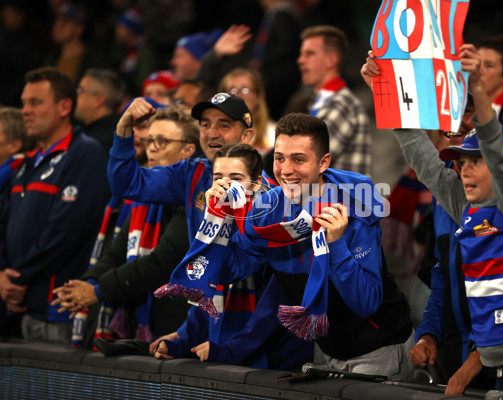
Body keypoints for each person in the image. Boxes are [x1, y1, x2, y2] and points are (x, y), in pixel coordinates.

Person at [370, 43, 503, 398]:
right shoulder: (463, 203)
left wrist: (477, 88)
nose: (462, 172)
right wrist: (384, 87)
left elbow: (497, 152)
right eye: (460, 163)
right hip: (494, 357)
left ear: (500, 166)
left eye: (473, 162)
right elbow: (420, 153)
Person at [192, 113, 414, 378]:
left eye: (298, 159)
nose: (286, 170)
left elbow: (366, 303)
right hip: (324, 349)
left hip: (377, 348)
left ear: (323, 163)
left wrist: (337, 244)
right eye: (279, 158)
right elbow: (227, 272)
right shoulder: (267, 210)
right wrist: (219, 223)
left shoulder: (355, 206)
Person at [152, 143, 313, 369]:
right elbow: (208, 295)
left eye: (236, 178)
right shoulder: (216, 221)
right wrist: (184, 343)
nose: (225, 186)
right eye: (218, 178)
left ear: (257, 182)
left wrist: (228, 351)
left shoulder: (275, 223)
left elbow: (273, 309)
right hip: (233, 358)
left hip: (277, 363)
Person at [52, 106, 200, 347]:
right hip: (136, 320)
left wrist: (99, 291)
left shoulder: (196, 195)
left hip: (174, 325)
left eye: (162, 141)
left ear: (188, 150)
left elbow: (162, 263)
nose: (151, 147)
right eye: (149, 139)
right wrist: (87, 284)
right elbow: (117, 252)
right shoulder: (142, 200)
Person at [0, 66, 110, 344]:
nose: (25, 110)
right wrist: (3, 275)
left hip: (60, 311)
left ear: (64, 106)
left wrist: (18, 279)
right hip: (21, 306)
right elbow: (3, 222)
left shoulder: (85, 155)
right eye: (24, 102)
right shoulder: (26, 162)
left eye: (35, 102)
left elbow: (65, 232)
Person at [108, 92, 271, 245]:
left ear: (246, 136)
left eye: (224, 126)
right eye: (205, 124)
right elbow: (127, 183)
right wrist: (124, 128)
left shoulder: (266, 192)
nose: (212, 133)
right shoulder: (191, 172)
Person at [297, 25, 371, 177]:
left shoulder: (342, 104)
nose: (300, 60)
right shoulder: (321, 102)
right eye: (301, 54)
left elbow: (306, 159)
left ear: (331, 60)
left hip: (342, 200)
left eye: (309, 54)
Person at [218, 68, 275, 155]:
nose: (238, 95)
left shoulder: (274, 132)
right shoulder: (213, 133)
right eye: (232, 90)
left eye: (245, 89)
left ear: (258, 97)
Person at [74, 68, 126, 154]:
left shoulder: (99, 143)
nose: (76, 95)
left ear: (98, 101)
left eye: (80, 90)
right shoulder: (87, 132)